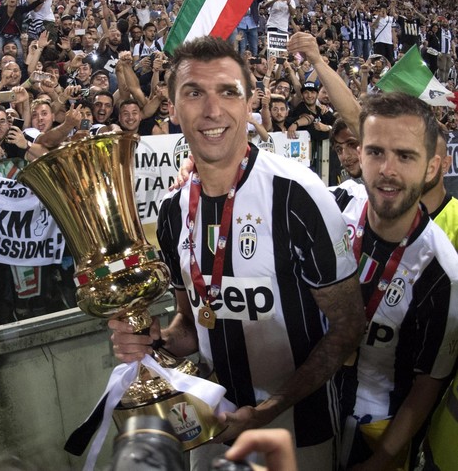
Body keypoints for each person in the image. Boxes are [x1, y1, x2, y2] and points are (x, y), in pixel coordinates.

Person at [109, 37, 365, 471]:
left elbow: (348, 326)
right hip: (211, 428)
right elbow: (193, 323)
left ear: (249, 105)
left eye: (228, 91)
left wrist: (268, 410)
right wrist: (154, 341)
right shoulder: (172, 211)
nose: (212, 110)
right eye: (194, 93)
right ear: (171, 108)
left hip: (299, 431)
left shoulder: (298, 194)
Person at [331, 92, 458, 471]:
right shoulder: (334, 204)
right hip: (310, 402)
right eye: (375, 152)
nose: (387, 169)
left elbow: (427, 385)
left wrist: (384, 457)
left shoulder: (444, 274)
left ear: (432, 167)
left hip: (376, 430)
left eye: (405, 156)